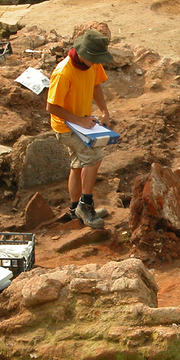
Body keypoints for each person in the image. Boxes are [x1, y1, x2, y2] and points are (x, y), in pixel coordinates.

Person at [46, 30, 113, 228]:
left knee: (77, 166)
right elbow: (51, 107)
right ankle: (86, 205)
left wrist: (105, 112)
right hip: (65, 127)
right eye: (95, 58)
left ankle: (75, 210)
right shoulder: (63, 72)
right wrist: (78, 121)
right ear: (83, 53)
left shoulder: (92, 63)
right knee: (95, 157)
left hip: (80, 123)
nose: (97, 62)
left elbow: (96, 86)